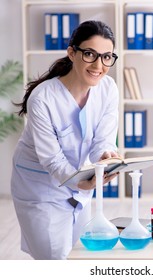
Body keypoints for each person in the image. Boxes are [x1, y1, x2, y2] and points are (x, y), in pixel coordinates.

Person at [11, 20, 119, 260]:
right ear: (72, 53)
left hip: (78, 184)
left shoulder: (108, 88)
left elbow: (102, 140)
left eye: (107, 57)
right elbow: (52, 160)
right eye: (90, 54)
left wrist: (106, 156)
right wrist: (80, 182)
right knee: (54, 258)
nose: (99, 65)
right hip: (39, 188)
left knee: (76, 256)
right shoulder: (43, 99)